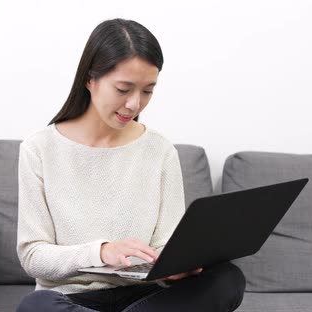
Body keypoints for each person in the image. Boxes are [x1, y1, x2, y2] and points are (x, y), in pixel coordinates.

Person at [15, 18, 245, 312]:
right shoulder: (39, 149)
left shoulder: (160, 150)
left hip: (146, 298)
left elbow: (166, 246)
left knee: (227, 278)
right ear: (90, 79)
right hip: (72, 299)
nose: (135, 104)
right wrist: (101, 252)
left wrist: (174, 269)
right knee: (36, 305)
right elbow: (34, 256)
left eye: (148, 90)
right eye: (123, 89)